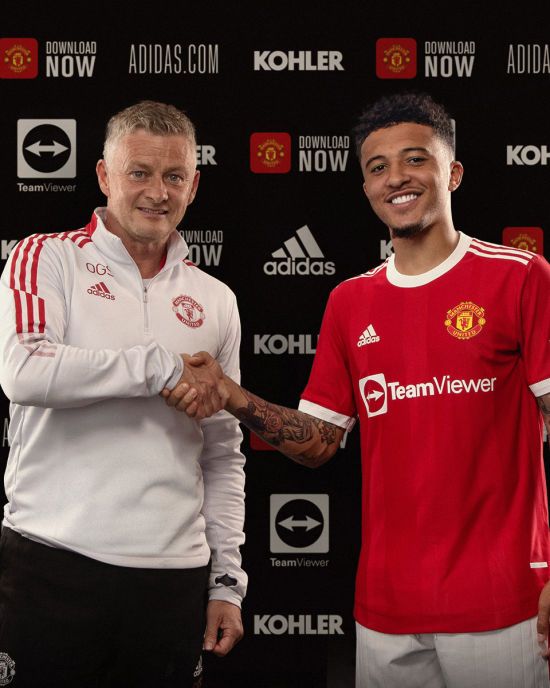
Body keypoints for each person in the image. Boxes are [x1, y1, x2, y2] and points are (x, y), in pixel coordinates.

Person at [163, 92, 550, 687]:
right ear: (366, 187)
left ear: (453, 172)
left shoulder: (519, 277)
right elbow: (318, 442)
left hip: (504, 603)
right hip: (386, 610)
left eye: (415, 159)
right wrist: (232, 395)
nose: (396, 177)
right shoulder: (350, 301)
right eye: (377, 167)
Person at [0, 100, 246, 687]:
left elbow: (222, 453)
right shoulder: (46, 256)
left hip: (174, 580)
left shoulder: (216, 298)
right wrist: (158, 368)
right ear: (105, 176)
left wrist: (226, 581)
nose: (158, 192)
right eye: (139, 172)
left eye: (174, 176)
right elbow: (24, 369)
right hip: (53, 565)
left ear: (194, 185)